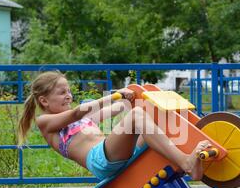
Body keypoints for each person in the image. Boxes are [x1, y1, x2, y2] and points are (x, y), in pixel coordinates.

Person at [18, 70, 211, 181]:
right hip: (101, 161)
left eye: (69, 91)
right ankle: (185, 162)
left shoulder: (84, 120)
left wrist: (131, 97)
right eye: (62, 92)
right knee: (136, 116)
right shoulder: (45, 122)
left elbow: (118, 108)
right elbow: (78, 112)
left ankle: (192, 151)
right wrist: (115, 94)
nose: (68, 95)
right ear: (44, 101)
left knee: (150, 112)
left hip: (114, 153)